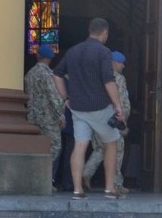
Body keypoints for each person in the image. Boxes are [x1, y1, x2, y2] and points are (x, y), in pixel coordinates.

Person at [52, 17, 126, 200]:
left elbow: (56, 74)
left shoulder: (73, 52)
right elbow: (109, 80)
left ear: (89, 30)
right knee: (111, 143)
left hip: (77, 107)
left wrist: (65, 98)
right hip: (99, 106)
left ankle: (77, 190)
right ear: (105, 33)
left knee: (80, 145)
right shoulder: (103, 52)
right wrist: (117, 106)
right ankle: (109, 189)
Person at [82, 50, 131, 195]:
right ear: (114, 63)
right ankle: (116, 184)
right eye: (121, 63)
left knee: (99, 149)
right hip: (113, 120)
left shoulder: (97, 76)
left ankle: (86, 172)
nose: (123, 66)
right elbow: (121, 101)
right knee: (117, 150)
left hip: (97, 118)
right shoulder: (117, 78)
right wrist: (123, 122)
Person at [24, 44, 65, 189]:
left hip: (33, 116)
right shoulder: (48, 74)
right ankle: (44, 180)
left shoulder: (30, 73)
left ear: (37, 56)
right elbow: (53, 96)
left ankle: (33, 178)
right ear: (51, 58)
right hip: (48, 117)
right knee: (54, 147)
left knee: (36, 147)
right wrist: (61, 114)